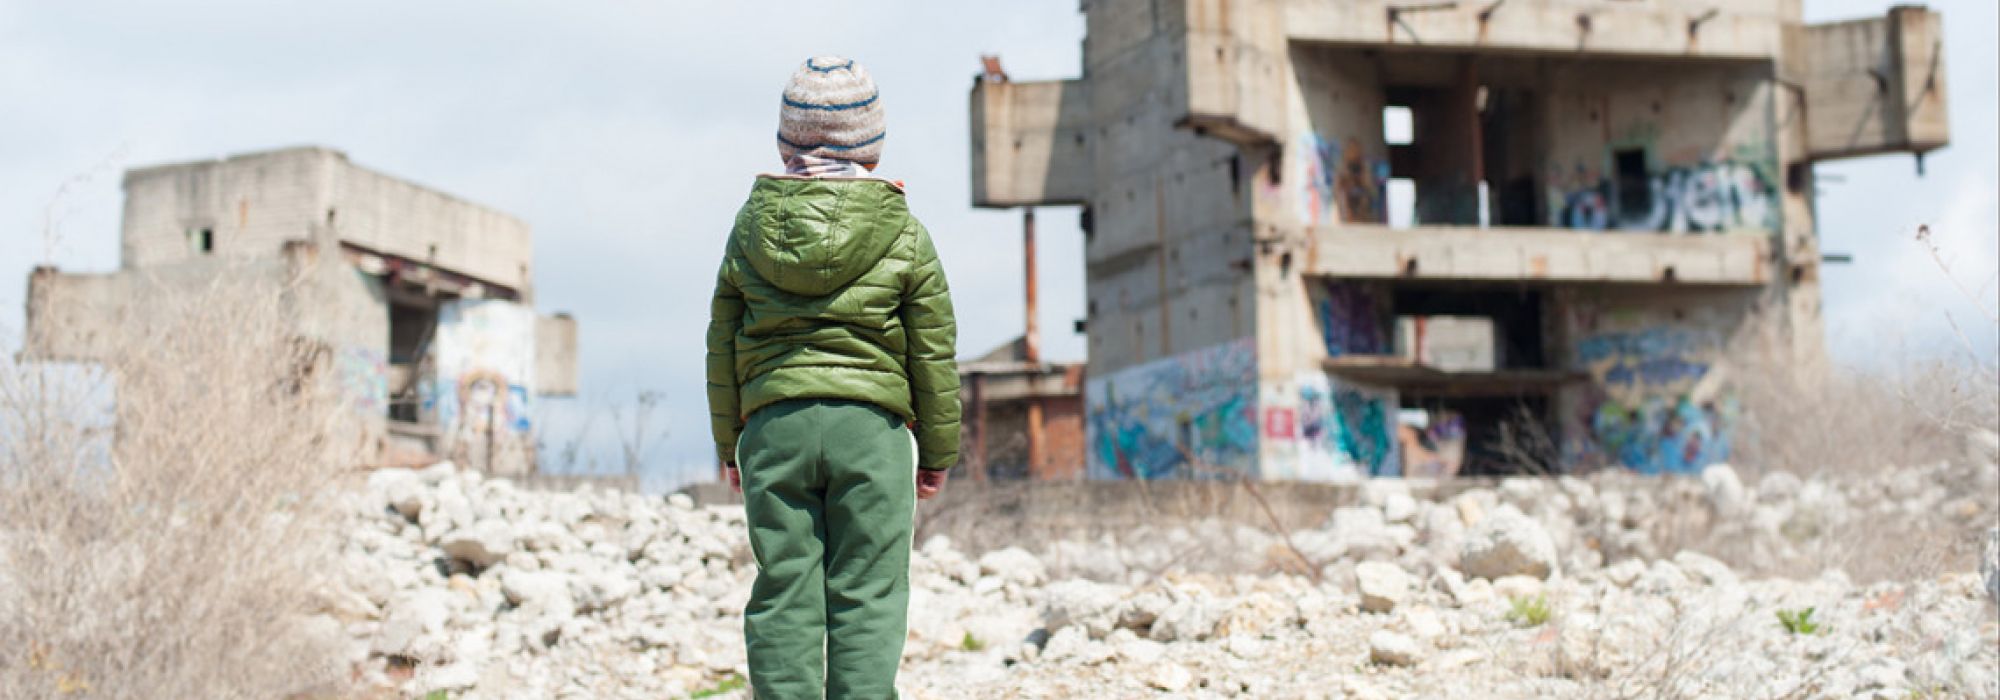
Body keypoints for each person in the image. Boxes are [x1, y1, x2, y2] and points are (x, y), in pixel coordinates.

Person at [705, 55, 960, 699]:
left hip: (774, 427)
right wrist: (937, 452)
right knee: (869, 589)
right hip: (870, 432)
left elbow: (722, 342)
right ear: (870, 147)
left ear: (786, 142)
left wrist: (726, 443)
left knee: (785, 588)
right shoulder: (904, 230)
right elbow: (932, 351)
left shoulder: (749, 227)